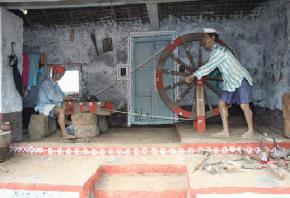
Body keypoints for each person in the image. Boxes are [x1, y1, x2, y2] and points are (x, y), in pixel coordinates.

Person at [185, 28, 254, 138]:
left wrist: (192, 75)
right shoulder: (214, 52)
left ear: (212, 38)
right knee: (221, 104)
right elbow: (210, 66)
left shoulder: (220, 51)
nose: (204, 41)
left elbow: (208, 67)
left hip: (240, 78)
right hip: (230, 81)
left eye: (206, 38)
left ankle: (250, 131)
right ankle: (225, 131)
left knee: (244, 105)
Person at [35, 65, 75, 140]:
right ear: (55, 73)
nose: (61, 77)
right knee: (61, 110)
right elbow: (52, 96)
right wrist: (64, 98)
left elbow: (62, 94)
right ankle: (64, 134)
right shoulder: (46, 83)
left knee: (66, 104)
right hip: (44, 106)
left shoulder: (55, 84)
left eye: (62, 75)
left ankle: (65, 122)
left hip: (52, 105)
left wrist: (68, 97)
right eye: (60, 75)